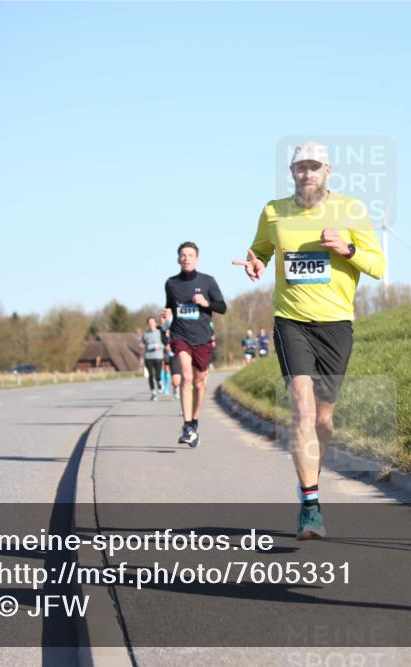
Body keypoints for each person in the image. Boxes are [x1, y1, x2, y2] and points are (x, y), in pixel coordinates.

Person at [234, 141, 385, 540]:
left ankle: (312, 481)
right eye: (300, 167)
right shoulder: (274, 211)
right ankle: (310, 504)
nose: (307, 173)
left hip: (337, 323)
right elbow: (261, 250)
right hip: (291, 320)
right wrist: (256, 263)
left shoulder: (350, 210)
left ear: (328, 171)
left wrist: (346, 248)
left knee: (323, 418)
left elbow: (378, 266)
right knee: (302, 410)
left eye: (314, 167)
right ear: (292, 172)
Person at [164, 241, 227, 447]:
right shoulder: (171, 284)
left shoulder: (208, 281)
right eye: (182, 255)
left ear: (197, 259)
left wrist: (206, 303)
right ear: (178, 259)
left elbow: (222, 307)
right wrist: (166, 314)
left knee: (199, 382)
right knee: (186, 376)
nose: (186, 258)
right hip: (180, 335)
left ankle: (194, 421)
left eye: (190, 255)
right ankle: (187, 424)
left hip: (202, 338)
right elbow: (170, 308)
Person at [141, 317, 165, 400]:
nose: (151, 324)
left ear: (155, 323)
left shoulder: (160, 332)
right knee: (150, 375)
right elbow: (142, 344)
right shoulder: (145, 334)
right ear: (147, 324)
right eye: (149, 323)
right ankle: (153, 393)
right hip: (148, 357)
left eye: (152, 322)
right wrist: (142, 346)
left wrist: (159, 346)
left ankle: (159, 382)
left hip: (158, 356)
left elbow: (165, 343)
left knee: (157, 375)